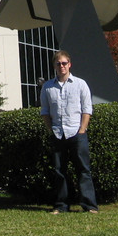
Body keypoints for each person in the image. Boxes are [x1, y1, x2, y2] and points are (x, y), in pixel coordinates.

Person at [40, 50, 99, 213]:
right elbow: (45, 111)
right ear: (54, 66)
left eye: (64, 63)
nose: (61, 66)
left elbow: (87, 109)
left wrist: (82, 129)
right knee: (59, 171)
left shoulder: (80, 84)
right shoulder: (47, 87)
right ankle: (61, 206)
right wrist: (51, 130)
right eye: (58, 64)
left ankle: (89, 205)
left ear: (69, 64)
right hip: (58, 134)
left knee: (83, 170)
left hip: (76, 133)